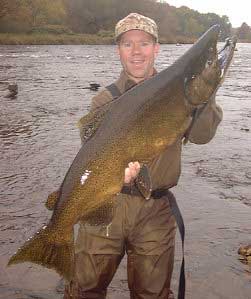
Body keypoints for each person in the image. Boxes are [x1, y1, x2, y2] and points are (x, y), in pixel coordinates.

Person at [64, 13, 223, 299]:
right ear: (118, 51)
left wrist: (206, 93)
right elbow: (91, 153)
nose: (136, 52)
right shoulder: (104, 99)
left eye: (144, 43)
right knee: (85, 290)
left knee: (153, 295)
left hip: (155, 211)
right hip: (106, 204)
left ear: (157, 48)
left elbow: (202, 136)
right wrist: (115, 174)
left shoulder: (181, 92)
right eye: (128, 44)